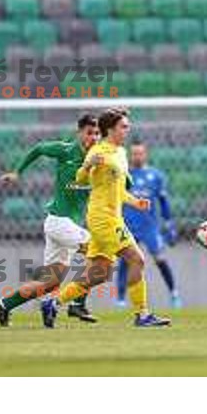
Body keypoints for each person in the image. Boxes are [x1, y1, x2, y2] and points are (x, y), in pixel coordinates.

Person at [43, 108, 171, 328]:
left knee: (99, 273)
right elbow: (80, 178)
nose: (127, 130)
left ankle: (53, 303)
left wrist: (135, 202)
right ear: (110, 129)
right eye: (123, 126)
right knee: (136, 259)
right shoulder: (98, 151)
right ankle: (142, 314)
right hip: (103, 219)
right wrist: (88, 165)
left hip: (113, 216)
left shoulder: (120, 152)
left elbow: (119, 190)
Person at [0, 114, 100, 328]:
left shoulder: (101, 158)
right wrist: (17, 172)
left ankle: (3, 305)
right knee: (99, 254)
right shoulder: (66, 150)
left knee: (51, 282)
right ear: (79, 133)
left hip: (65, 225)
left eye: (97, 133)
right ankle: (77, 303)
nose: (93, 137)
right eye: (89, 133)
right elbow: (39, 148)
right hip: (60, 222)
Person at [117, 140, 181, 308]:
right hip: (128, 225)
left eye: (140, 153)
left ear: (145, 154)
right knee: (125, 261)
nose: (137, 156)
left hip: (149, 227)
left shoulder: (156, 176)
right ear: (130, 155)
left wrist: (169, 223)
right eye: (134, 153)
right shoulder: (124, 176)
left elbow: (163, 202)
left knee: (160, 259)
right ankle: (121, 300)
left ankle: (174, 295)